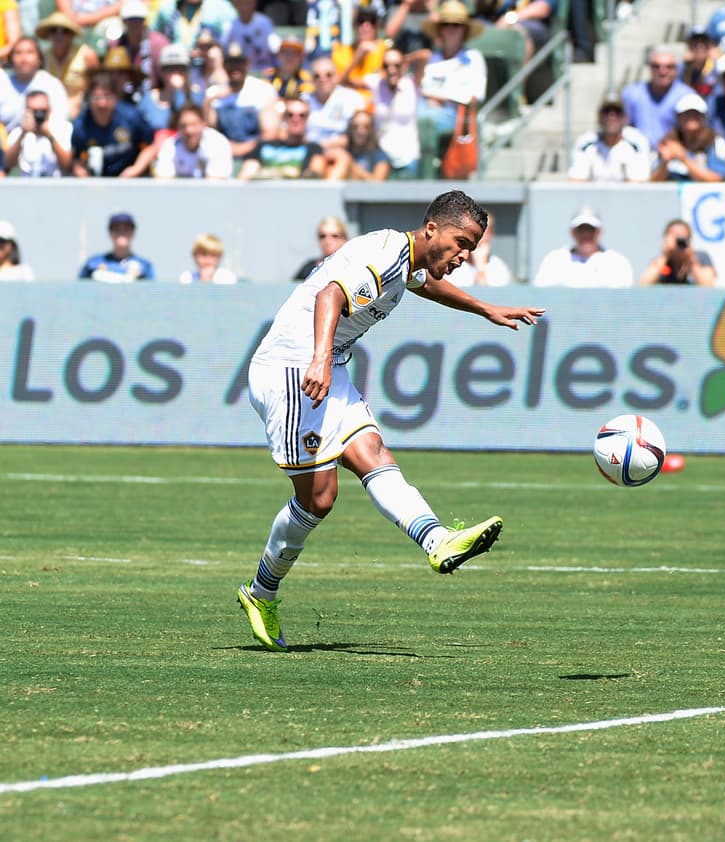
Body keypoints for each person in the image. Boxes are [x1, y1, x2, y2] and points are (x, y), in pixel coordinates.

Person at [236, 190, 545, 652]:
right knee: (319, 499)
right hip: (294, 369)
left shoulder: (405, 259)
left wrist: (485, 308)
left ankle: (438, 541)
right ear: (432, 229)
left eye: (472, 250)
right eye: (460, 243)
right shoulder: (384, 255)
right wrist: (319, 359)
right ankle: (260, 594)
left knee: (373, 453)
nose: (463, 256)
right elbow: (329, 295)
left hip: (328, 365)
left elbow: (422, 281)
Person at [414, 1, 485, 154]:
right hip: (424, 109)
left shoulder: (473, 58)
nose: (450, 29)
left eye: (456, 25)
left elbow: (475, 95)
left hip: (457, 116)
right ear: (440, 29)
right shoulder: (432, 58)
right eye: (446, 24)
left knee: (423, 119)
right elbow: (420, 89)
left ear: (465, 30)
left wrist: (440, 97)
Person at [203, 41, 279, 163]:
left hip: (255, 155)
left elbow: (270, 133)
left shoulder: (263, 91)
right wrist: (208, 102)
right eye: (231, 63)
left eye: (239, 62)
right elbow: (209, 130)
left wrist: (242, 148)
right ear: (224, 65)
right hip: (221, 155)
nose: (235, 68)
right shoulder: (213, 93)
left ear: (247, 64)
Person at [71, 73, 156, 177]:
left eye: (107, 97)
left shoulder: (131, 116)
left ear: (115, 98)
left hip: (131, 181)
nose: (102, 104)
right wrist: (83, 176)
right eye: (96, 98)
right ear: (88, 100)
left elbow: (151, 145)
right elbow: (77, 159)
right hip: (96, 184)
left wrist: (136, 169)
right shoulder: (81, 126)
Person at [532, 206, 635, 288]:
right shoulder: (555, 259)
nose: (586, 235)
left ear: (599, 232)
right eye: (581, 229)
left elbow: (622, 301)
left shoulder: (617, 262)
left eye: (590, 229)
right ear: (572, 232)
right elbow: (542, 297)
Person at [622, 44, 697, 151]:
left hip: (675, 156)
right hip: (638, 155)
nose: (662, 71)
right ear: (650, 68)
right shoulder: (632, 93)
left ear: (676, 69)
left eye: (669, 67)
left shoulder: (687, 96)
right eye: (656, 66)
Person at [568, 92, 652, 183]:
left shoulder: (637, 142)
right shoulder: (585, 143)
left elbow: (636, 185)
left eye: (617, 111)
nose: (611, 116)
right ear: (599, 116)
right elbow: (577, 182)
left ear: (625, 118)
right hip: (592, 196)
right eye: (606, 111)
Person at [238, 96, 329, 179]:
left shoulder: (314, 149)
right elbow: (245, 176)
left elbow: (314, 179)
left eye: (302, 115)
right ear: (283, 117)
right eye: (290, 115)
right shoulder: (263, 146)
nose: (296, 119)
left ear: (307, 118)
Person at [650, 93, 725, 182]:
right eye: (686, 114)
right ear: (678, 117)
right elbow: (653, 181)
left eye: (696, 114)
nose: (691, 118)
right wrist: (665, 162)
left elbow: (717, 179)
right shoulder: (668, 141)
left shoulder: (716, 142)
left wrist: (684, 159)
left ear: (703, 117)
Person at [366, 47, 419, 178]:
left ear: (404, 65)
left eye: (396, 65)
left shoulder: (411, 84)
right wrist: (360, 53)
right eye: (386, 65)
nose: (391, 70)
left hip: (409, 157)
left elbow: (425, 55)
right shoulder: (377, 83)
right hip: (382, 158)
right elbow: (343, 81)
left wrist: (407, 59)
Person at [37, 10, 99, 116]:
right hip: (49, 112)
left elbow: (97, 84)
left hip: (80, 111)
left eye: (65, 31)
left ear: (72, 35)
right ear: (48, 34)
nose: (59, 35)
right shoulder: (43, 57)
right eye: (53, 30)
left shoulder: (87, 54)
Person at [3, 88, 73, 177]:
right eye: (34, 111)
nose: (39, 115)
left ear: (49, 110)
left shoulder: (63, 128)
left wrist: (48, 135)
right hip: (26, 187)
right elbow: (8, 163)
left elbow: (68, 165)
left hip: (56, 187)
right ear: (26, 111)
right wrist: (23, 134)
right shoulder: (18, 132)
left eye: (42, 111)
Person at [153, 102, 233, 177]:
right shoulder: (170, 145)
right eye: (184, 125)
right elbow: (163, 180)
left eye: (194, 125)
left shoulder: (218, 143)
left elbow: (216, 183)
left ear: (203, 124)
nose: (189, 131)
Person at [79, 211, 156, 282]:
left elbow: (152, 291)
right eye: (116, 229)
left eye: (126, 229)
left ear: (133, 232)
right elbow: (80, 287)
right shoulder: (94, 262)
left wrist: (140, 278)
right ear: (110, 232)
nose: (122, 233)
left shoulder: (144, 266)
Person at [637, 219, 717, 286]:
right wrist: (665, 255)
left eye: (682, 237)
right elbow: (644, 284)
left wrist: (692, 260)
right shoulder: (661, 263)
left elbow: (708, 285)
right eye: (675, 236)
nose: (679, 241)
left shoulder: (701, 257)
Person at [445, 221, 512, 286]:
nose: (475, 239)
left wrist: (480, 267)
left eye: (482, 234)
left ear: (490, 234)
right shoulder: (452, 265)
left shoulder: (498, 268)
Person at [223, 0, 277, 74]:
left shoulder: (265, 22)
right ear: (235, 5)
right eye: (240, 3)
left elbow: (275, 48)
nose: (244, 7)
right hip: (240, 73)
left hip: (265, 71)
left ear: (254, 3)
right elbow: (223, 50)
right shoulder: (230, 25)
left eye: (247, 3)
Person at [335, 108, 390, 180]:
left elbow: (378, 184)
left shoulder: (379, 155)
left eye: (366, 127)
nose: (360, 131)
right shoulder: (343, 150)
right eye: (355, 127)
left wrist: (350, 163)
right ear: (350, 128)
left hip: (367, 191)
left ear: (371, 129)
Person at [294, 216, 348, 280]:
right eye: (322, 236)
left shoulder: (350, 267)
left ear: (344, 239)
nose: (328, 240)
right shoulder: (308, 269)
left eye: (334, 236)